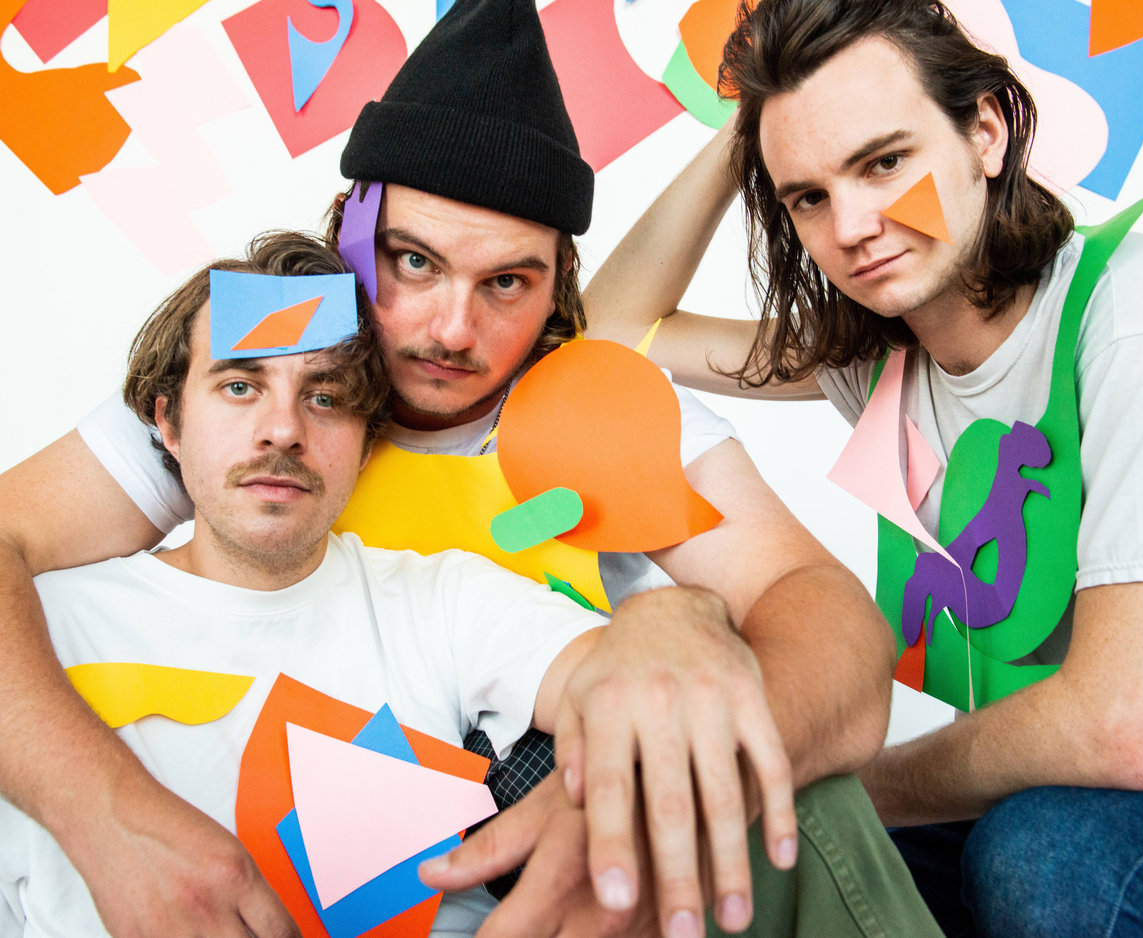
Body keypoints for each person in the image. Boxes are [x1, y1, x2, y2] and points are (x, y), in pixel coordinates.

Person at [0, 0, 939, 936]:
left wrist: (676, 779)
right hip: (314, 829)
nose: (453, 331)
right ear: (351, 235)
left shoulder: (597, 408)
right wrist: (104, 813)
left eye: (507, 283)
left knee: (804, 800)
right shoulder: (272, 364)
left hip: (554, 807)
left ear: (559, 284)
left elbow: (819, 613)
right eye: (414, 263)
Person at [583, 0, 1143, 934]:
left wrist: (854, 787)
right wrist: (756, 128)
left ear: (985, 133)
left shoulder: (1138, 304)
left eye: (883, 162)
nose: (853, 226)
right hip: (1035, 800)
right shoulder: (876, 361)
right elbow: (613, 337)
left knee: (1035, 853)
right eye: (808, 197)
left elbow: (1120, 728)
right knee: (759, 861)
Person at [0, 229, 612, 936]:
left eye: (325, 397)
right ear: (168, 422)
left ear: (367, 438)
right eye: (240, 387)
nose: (283, 430)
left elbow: (634, 676)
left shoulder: (445, 604)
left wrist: (671, 623)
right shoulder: (36, 628)